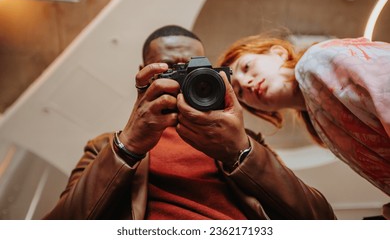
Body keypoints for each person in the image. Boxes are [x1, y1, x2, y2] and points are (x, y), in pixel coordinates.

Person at [43, 25, 336, 220]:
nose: (185, 81)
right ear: (144, 72)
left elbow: (323, 220)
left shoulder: (244, 140)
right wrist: (127, 146)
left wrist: (241, 152)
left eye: (194, 69)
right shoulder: (106, 146)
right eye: (171, 70)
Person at [218, 33, 390, 218]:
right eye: (240, 93)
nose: (246, 83)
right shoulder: (319, 122)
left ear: (279, 52)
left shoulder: (317, 60)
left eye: (246, 66)